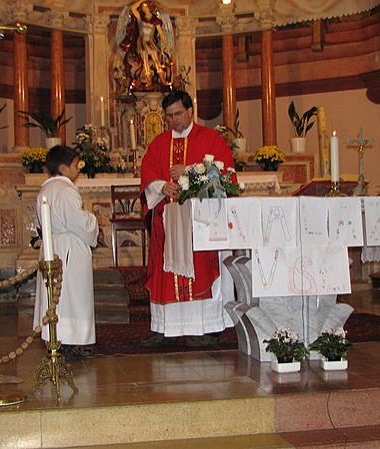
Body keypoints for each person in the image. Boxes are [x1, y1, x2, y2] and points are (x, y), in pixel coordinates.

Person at [139, 90, 236, 347]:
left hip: (200, 222)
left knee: (203, 269)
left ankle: (207, 327)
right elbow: (148, 173)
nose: (173, 120)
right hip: (168, 222)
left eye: (178, 114)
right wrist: (161, 186)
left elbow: (225, 174)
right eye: (169, 116)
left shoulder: (210, 139)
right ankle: (165, 327)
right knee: (165, 272)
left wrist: (189, 172)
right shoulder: (158, 144)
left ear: (191, 111)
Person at [33, 145, 99, 361]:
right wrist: (93, 220)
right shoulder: (66, 190)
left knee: (57, 297)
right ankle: (73, 341)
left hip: (51, 246)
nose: (78, 169)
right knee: (73, 296)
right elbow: (77, 221)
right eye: (75, 165)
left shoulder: (45, 190)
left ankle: (56, 337)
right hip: (70, 248)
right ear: (63, 167)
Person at [118, 0, 173, 90]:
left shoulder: (155, 20)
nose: (144, 9)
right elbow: (132, 8)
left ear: (149, 8)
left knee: (155, 58)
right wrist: (142, 0)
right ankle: (148, 79)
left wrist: (166, 43)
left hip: (151, 41)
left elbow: (161, 33)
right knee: (145, 58)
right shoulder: (140, 18)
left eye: (146, 7)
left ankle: (162, 78)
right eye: (143, 7)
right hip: (141, 41)